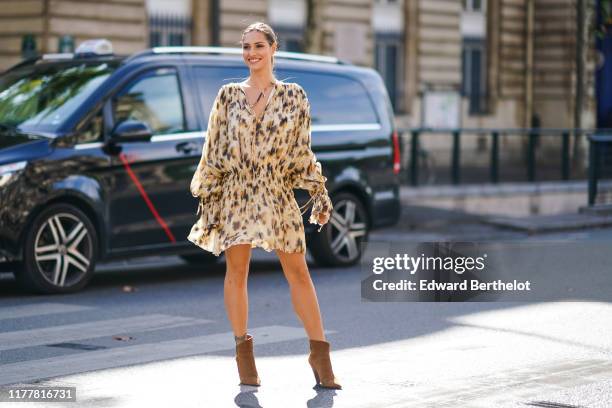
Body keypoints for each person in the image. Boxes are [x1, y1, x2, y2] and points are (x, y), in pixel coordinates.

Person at [187, 21, 341, 389]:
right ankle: (244, 356)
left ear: (274, 49)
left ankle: (320, 355)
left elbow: (301, 151)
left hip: (275, 192)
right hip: (237, 193)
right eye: (246, 47)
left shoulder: (295, 96)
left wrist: (317, 190)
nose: (252, 53)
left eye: (259, 46)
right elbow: (214, 149)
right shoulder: (227, 96)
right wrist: (209, 195)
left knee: (299, 272)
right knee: (237, 272)